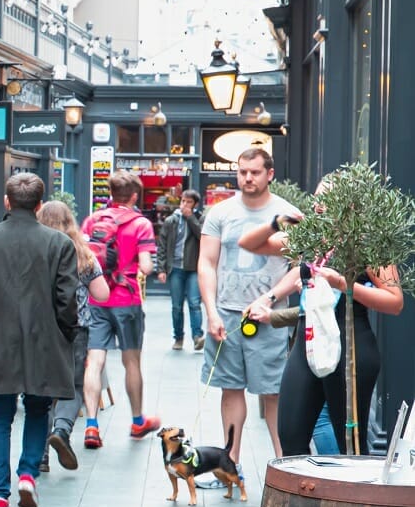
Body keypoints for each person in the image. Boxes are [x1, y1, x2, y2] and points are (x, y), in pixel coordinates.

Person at [239, 180, 403, 456]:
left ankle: (349, 498)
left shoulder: (366, 242)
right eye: (315, 200)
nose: (316, 206)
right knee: (290, 435)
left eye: (324, 201)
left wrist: (343, 283)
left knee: (349, 444)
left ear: (348, 206)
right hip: (308, 342)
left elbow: (394, 302)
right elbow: (249, 244)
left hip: (351, 346)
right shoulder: (314, 239)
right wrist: (276, 223)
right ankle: (304, 498)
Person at [0, 173, 79, 507]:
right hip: (45, 339)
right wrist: (67, 333)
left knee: (0, 415)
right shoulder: (59, 244)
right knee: (38, 410)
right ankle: (27, 473)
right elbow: (66, 299)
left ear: (7, 202)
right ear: (39, 205)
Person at [197, 147, 301, 464]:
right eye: (242, 172)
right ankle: (231, 464)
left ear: (270, 174)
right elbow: (206, 263)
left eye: (254, 172)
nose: (247, 178)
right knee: (230, 388)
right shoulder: (220, 213)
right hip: (227, 315)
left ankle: (284, 467)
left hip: (268, 318)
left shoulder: (288, 214)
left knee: (273, 393)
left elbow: (301, 266)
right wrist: (211, 311)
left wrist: (269, 299)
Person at [79, 172, 160, 449]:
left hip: (96, 299)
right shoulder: (141, 224)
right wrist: (138, 266)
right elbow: (147, 266)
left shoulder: (91, 220)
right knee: (131, 362)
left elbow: (83, 257)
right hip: (127, 300)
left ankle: (91, 425)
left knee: (95, 360)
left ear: (110, 194)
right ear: (135, 196)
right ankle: (137, 421)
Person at [36, 201, 112, 473]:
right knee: (73, 385)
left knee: (41, 390)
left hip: (39, 329)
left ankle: (40, 456)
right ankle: (63, 429)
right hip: (76, 328)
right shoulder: (83, 253)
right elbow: (102, 294)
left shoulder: (34, 249)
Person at [156, 190, 205, 352]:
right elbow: (162, 246)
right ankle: (178, 337)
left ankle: (197, 337)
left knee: (194, 303)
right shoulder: (171, 220)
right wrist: (161, 268)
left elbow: (202, 237)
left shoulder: (200, 219)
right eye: (183, 201)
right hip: (175, 268)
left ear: (195, 204)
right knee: (176, 306)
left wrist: (190, 217)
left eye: (188, 202)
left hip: (193, 268)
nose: (184, 205)